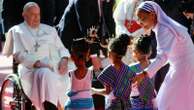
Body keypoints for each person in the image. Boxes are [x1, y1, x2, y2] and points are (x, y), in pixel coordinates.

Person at [2, 2, 73, 110]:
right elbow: (19, 54)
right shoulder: (17, 31)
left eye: (37, 15)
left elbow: (61, 48)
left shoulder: (49, 29)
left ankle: (62, 104)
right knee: (45, 73)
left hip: (51, 58)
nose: (36, 17)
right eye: (34, 15)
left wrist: (64, 59)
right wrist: (37, 63)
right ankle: (50, 105)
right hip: (31, 66)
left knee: (70, 71)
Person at [134, 1, 194, 110]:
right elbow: (167, 56)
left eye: (142, 18)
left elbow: (163, 57)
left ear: (152, 15)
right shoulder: (163, 27)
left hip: (183, 69)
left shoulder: (163, 29)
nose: (140, 23)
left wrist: (144, 74)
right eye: (138, 19)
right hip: (184, 67)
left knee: (166, 104)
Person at [96, 34, 135, 110]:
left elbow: (108, 92)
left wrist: (94, 90)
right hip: (127, 106)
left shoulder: (108, 70)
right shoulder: (129, 70)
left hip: (113, 106)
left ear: (110, 53)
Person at [65, 39, 94, 110]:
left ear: (72, 56)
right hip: (88, 107)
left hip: (73, 106)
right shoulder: (90, 72)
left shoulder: (70, 73)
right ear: (88, 54)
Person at [129, 36, 156, 110]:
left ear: (136, 52)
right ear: (150, 51)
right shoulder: (155, 64)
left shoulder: (131, 68)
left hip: (136, 101)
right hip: (151, 99)